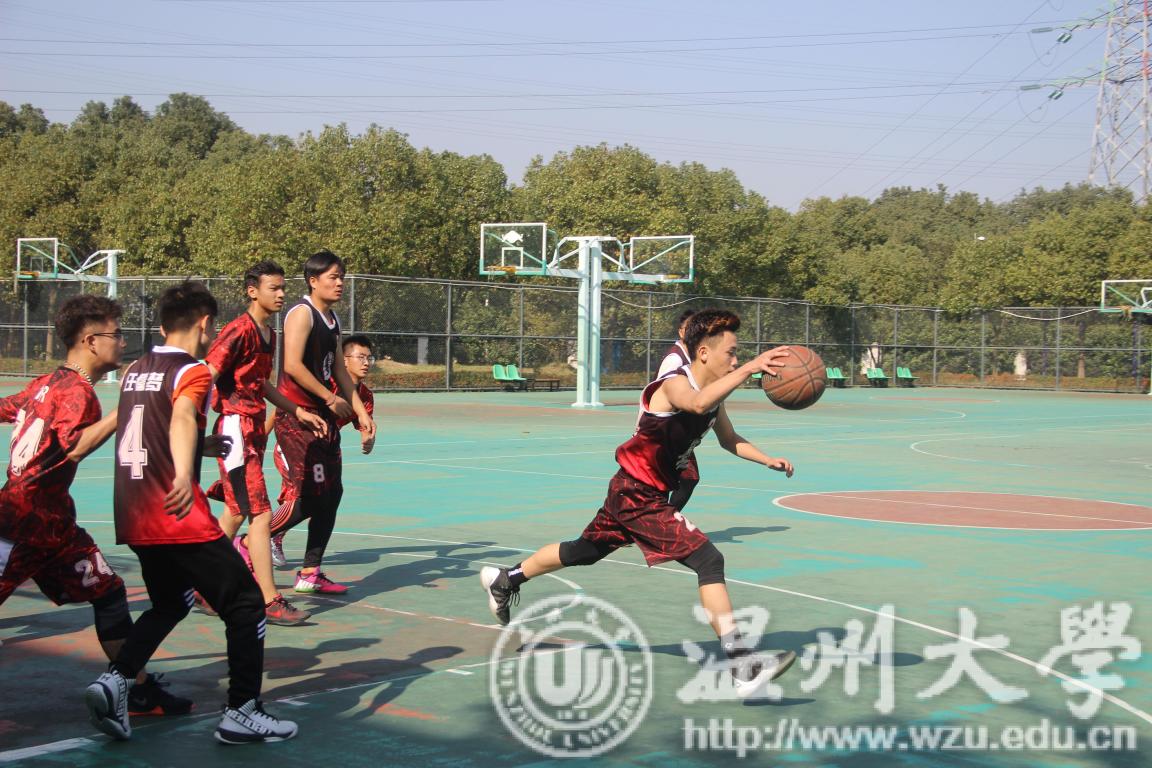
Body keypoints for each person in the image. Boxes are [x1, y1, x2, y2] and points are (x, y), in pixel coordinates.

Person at [480, 309, 798, 699]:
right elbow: (696, 405)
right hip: (638, 496)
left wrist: (767, 459)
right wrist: (750, 368)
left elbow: (728, 438)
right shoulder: (674, 385)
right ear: (703, 353)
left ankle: (506, 579)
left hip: (633, 491)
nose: (736, 360)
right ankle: (742, 665)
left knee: (583, 551)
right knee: (708, 560)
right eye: (731, 353)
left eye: (739, 355)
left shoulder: (713, 396)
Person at [85, 281, 297, 745]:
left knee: (171, 602)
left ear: (163, 326)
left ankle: (116, 681)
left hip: (132, 511)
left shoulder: (136, 370)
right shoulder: (194, 371)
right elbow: (181, 415)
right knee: (246, 603)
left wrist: (199, 447)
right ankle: (242, 711)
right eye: (212, 327)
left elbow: (147, 428)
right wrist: (185, 472)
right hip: (174, 511)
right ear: (204, 324)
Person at [0, 295, 191, 717]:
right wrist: (126, 408)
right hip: (22, 522)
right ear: (90, 341)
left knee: (108, 591)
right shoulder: (79, 393)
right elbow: (74, 447)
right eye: (116, 334)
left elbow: (7, 409)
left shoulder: (46, 384)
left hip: (54, 527)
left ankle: (135, 687)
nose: (122, 341)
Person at [204, 260, 327, 626]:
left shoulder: (269, 334)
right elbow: (206, 375)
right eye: (274, 288)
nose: (281, 294)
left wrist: (297, 411)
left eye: (283, 287)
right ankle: (269, 598)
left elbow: (262, 385)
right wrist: (191, 429)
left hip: (252, 429)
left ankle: (202, 585)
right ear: (252, 291)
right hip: (235, 429)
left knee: (236, 512)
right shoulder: (238, 330)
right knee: (259, 514)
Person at [266, 251, 374, 596]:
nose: (340, 283)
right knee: (312, 498)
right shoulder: (301, 314)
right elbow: (292, 366)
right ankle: (250, 541)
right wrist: (329, 398)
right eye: (333, 277)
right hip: (298, 417)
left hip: (321, 419)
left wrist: (361, 413)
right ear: (313, 281)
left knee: (332, 494)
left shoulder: (332, 319)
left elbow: (339, 369)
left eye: (342, 277)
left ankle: (310, 571)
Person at [270, 334, 376, 568]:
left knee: (326, 498)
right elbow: (282, 407)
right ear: (343, 360)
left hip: (325, 448)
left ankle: (309, 567)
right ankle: (263, 536)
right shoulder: (326, 385)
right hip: (297, 445)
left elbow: (364, 426)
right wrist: (261, 438)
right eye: (360, 357)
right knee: (304, 497)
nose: (366, 363)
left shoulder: (365, 396)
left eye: (369, 358)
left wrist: (368, 438)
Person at [656, 309, 698, 509]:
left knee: (688, 479)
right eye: (690, 329)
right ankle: (663, 519)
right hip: (662, 433)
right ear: (681, 332)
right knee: (662, 483)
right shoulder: (675, 359)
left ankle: (666, 518)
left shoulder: (693, 357)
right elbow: (659, 395)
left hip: (679, 435)